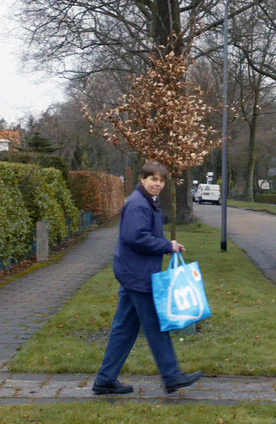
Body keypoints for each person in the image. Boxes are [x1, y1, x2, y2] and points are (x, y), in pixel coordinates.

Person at [93, 160, 203, 395]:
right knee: (156, 325)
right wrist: (166, 245)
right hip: (137, 274)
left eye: (161, 180)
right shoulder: (138, 204)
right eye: (153, 179)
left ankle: (105, 379)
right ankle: (172, 376)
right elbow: (136, 237)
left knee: (124, 328)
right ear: (143, 179)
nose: (158, 184)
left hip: (135, 272)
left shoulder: (147, 202)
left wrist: (167, 245)